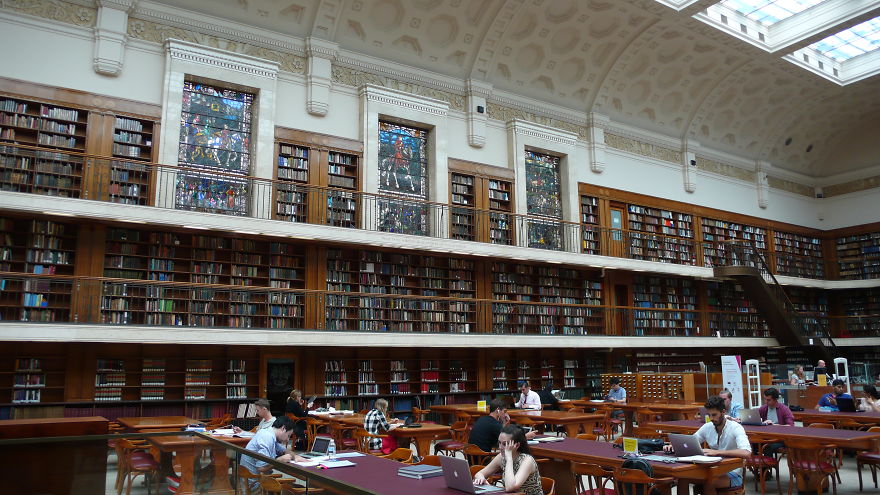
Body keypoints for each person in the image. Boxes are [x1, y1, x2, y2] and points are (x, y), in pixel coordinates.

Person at [665, 395, 750, 495]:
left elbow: (747, 453)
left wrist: (717, 452)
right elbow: (691, 442)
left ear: (723, 412)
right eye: (709, 415)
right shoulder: (708, 426)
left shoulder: (736, 428)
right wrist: (674, 446)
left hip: (733, 473)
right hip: (711, 470)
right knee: (683, 478)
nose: (711, 418)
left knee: (709, 481)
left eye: (714, 415)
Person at [473, 425, 544, 495]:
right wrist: (481, 479)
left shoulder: (527, 460)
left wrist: (509, 458)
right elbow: (479, 474)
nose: (500, 447)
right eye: (499, 443)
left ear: (517, 445)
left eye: (504, 444)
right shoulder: (501, 457)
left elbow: (510, 487)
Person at [240, 416, 306, 489]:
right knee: (300, 489)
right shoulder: (267, 437)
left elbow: (284, 450)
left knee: (296, 487)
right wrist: (279, 460)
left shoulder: (268, 432)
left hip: (250, 481)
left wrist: (295, 456)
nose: (287, 440)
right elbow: (261, 468)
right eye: (288, 435)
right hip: (255, 486)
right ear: (283, 428)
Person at [469, 399, 537, 452]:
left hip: (471, 457)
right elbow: (510, 441)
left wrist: (504, 423)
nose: (505, 414)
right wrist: (526, 436)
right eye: (504, 411)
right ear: (498, 410)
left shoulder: (482, 419)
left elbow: (502, 435)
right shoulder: (494, 424)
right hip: (483, 459)